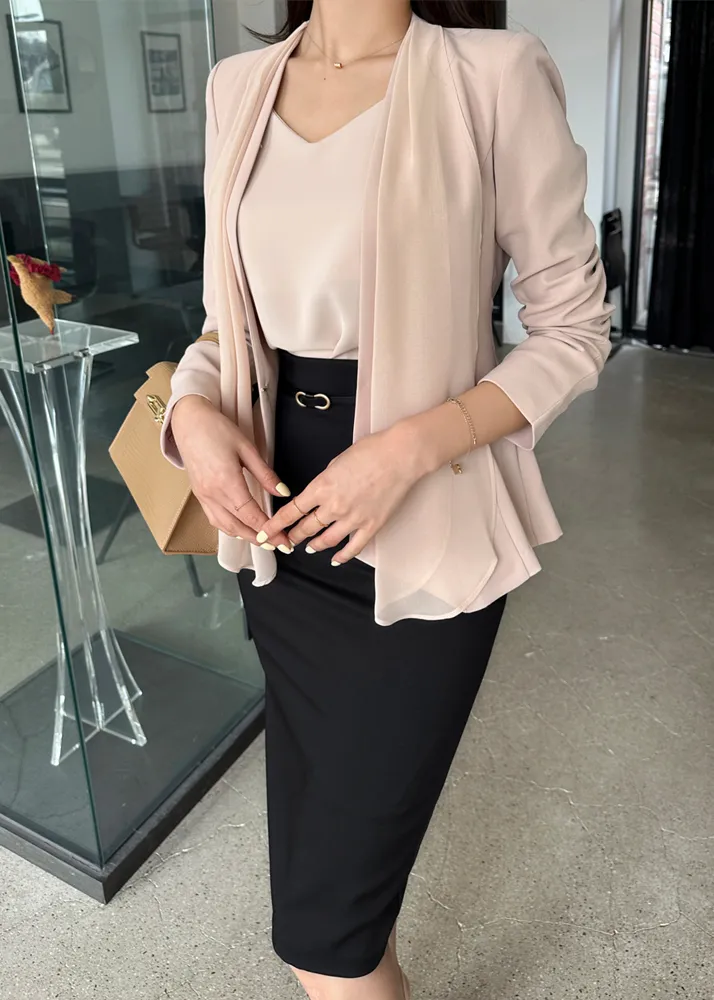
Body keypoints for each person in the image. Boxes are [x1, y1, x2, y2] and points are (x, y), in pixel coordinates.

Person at [161, 2, 613, 997]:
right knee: (327, 897)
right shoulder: (239, 86)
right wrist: (191, 416)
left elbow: (576, 329)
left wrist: (406, 449)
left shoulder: (493, 74)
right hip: (281, 526)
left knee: (327, 930)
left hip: (424, 519)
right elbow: (224, 324)